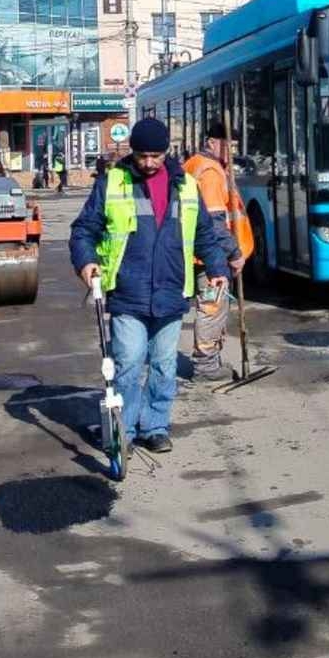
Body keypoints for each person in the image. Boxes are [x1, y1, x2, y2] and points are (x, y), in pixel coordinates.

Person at [69, 118, 235, 454]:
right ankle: (125, 430)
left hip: (172, 291)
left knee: (164, 365)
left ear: (165, 153)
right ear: (133, 152)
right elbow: (84, 229)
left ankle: (155, 425)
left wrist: (217, 266)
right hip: (128, 290)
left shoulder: (186, 185)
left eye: (155, 156)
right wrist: (86, 261)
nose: (148, 163)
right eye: (143, 155)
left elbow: (204, 232)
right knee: (129, 361)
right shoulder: (113, 183)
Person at [183, 121, 255, 381]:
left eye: (235, 146)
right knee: (212, 306)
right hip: (209, 255)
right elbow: (214, 222)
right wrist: (234, 253)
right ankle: (206, 366)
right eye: (227, 145)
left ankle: (210, 360)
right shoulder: (211, 172)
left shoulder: (194, 164)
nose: (231, 151)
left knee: (212, 304)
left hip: (201, 251)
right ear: (212, 142)